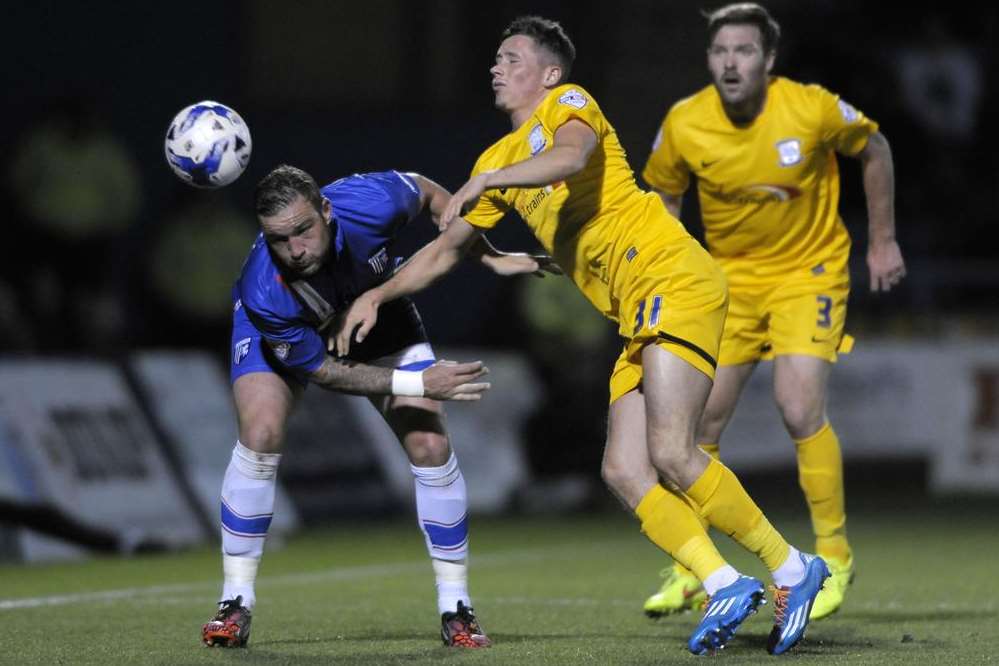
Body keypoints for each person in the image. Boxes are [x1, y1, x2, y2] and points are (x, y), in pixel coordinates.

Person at [334, 16, 829, 656]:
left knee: (674, 452)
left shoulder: (568, 106)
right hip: (636, 312)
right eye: (494, 58)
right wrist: (377, 292)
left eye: (511, 58)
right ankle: (724, 580)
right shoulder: (498, 159)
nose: (496, 67)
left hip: (670, 277)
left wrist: (492, 183)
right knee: (624, 470)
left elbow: (572, 156)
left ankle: (791, 568)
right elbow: (445, 251)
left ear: (549, 74)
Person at [202, 164, 554, 650]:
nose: (295, 250)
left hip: (379, 314)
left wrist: (488, 256)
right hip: (301, 331)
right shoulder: (264, 289)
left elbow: (435, 197)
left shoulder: (371, 200)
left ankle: (457, 607)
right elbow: (323, 370)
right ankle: (234, 602)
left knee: (430, 445)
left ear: (326, 210)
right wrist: (419, 380)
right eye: (279, 240)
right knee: (261, 432)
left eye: (303, 230)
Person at [640, 3, 905, 623]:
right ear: (708, 60)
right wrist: (669, 270)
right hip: (727, 284)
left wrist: (883, 239)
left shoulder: (809, 107)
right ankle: (694, 571)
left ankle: (834, 556)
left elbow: (876, 147)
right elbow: (664, 194)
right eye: (719, 52)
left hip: (807, 272)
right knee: (695, 429)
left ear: (769, 60)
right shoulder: (685, 122)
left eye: (744, 51)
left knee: (797, 405)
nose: (730, 62)